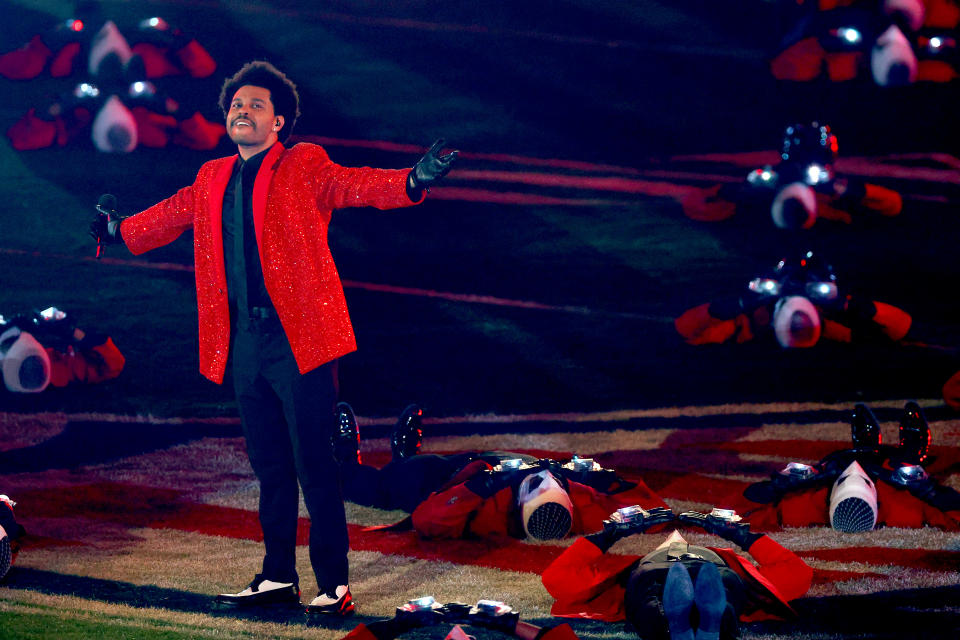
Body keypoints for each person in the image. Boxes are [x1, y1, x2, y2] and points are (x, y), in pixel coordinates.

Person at [88, 60, 458, 615]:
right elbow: (172, 214)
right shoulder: (212, 176)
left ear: (279, 122)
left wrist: (412, 181)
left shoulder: (303, 165)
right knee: (270, 467)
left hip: (300, 340)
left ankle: (333, 584)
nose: (243, 109)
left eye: (256, 104)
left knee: (314, 464)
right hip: (243, 344)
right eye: (237, 103)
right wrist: (119, 229)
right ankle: (277, 578)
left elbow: (352, 183)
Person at [335, 404, 668, 541]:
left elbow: (427, 518)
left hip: (452, 481)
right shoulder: (582, 501)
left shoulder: (491, 518)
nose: (544, 481)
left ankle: (346, 462)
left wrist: (487, 483)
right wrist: (603, 478)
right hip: (483, 460)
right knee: (411, 468)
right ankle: (404, 458)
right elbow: (653, 509)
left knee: (386, 485)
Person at [541, 507, 812, 640]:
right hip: (716, 571)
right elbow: (798, 575)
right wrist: (741, 535)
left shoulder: (633, 567)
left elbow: (557, 579)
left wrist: (611, 534)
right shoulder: (731, 561)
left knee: (652, 604)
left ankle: (674, 628)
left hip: (654, 575)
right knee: (725, 598)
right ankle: (713, 627)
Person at [729, 402, 960, 531]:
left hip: (824, 486)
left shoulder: (799, 507)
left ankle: (866, 449)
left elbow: (730, 515)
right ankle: (908, 453)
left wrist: (777, 486)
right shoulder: (905, 510)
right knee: (904, 469)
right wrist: (928, 490)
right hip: (890, 490)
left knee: (833, 464)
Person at [675, 249, 912, 348]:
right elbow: (685, 331)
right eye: (789, 288)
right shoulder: (749, 324)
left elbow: (901, 327)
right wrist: (740, 304)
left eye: (806, 289)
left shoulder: (834, 327)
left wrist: (849, 304)